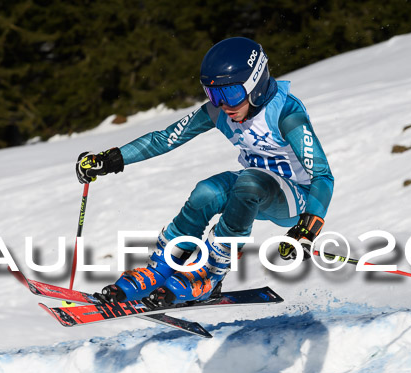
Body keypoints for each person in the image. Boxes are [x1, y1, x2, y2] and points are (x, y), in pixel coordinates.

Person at [75, 37, 334, 305]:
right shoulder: (220, 111)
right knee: (206, 192)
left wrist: (307, 228)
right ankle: (161, 269)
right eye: (214, 95)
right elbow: (165, 139)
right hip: (252, 186)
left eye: (231, 94)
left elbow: (323, 175)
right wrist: (112, 159)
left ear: (255, 85)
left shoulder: (286, 113)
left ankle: (210, 273)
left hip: (295, 197)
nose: (224, 105)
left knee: (250, 181)